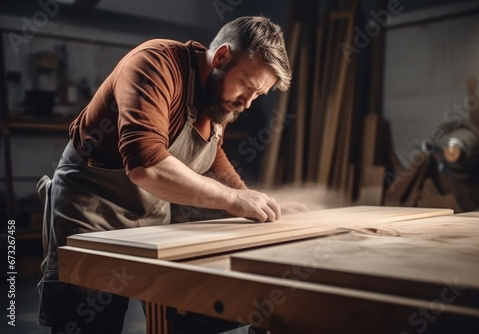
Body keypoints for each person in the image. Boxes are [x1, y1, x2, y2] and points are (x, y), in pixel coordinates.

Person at [36, 16, 299, 333]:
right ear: (221, 57)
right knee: (91, 320)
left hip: (152, 212)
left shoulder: (217, 98)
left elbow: (212, 153)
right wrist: (233, 199)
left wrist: (253, 202)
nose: (248, 102)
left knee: (180, 309)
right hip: (92, 209)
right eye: (247, 86)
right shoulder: (155, 65)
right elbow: (147, 168)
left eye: (259, 95)